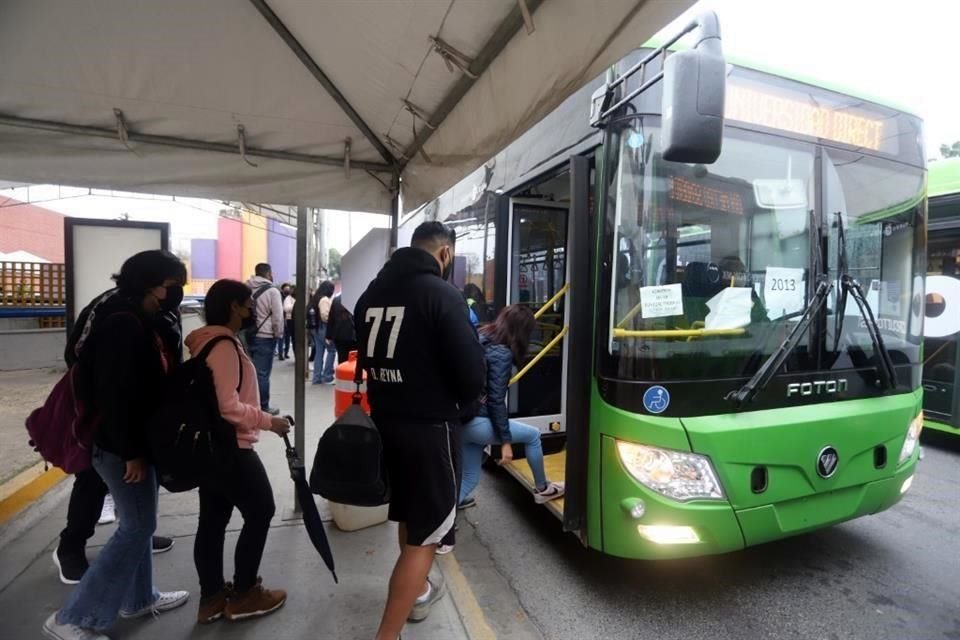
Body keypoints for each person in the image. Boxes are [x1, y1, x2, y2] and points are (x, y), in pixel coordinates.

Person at [44, 250, 191, 640]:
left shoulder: (141, 317)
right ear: (151, 284)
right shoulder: (122, 324)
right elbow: (116, 398)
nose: (177, 291)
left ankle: (140, 597)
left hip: (133, 442)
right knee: (137, 526)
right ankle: (72, 619)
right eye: (172, 283)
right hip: (118, 446)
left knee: (140, 525)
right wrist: (133, 453)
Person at [355, 221, 485, 640]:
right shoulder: (442, 295)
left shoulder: (371, 295)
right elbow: (471, 378)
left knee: (411, 517)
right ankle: (387, 634)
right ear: (444, 254)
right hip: (431, 432)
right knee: (427, 535)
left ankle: (420, 589)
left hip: (386, 423)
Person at [185, 279, 291, 624]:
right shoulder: (224, 346)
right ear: (233, 306)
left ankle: (212, 597)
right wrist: (269, 422)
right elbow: (227, 406)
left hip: (210, 449)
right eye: (247, 305)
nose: (250, 311)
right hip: (231, 447)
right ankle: (245, 593)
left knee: (213, 522)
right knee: (261, 511)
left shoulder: (204, 342)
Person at [458, 305, 565, 513]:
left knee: (470, 478)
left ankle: (441, 524)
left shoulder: (482, 336)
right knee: (533, 435)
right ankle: (543, 488)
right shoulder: (502, 352)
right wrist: (505, 441)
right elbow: (496, 401)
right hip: (476, 421)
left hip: (461, 418)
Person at [246, 263, 284, 415]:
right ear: (268, 273)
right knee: (262, 374)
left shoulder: (246, 288)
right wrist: (278, 334)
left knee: (250, 371)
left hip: (248, 335)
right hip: (266, 336)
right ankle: (263, 406)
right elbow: (277, 317)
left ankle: (250, 403)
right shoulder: (273, 291)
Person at [309, 281, 337, 385]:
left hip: (316, 329)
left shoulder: (315, 298)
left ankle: (316, 378)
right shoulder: (324, 299)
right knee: (331, 350)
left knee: (319, 353)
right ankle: (327, 376)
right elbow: (325, 316)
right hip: (324, 328)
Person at [326, 293, 358, 364]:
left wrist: (328, 335)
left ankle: (342, 374)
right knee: (354, 360)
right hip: (354, 335)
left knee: (342, 359)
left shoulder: (336, 300)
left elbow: (331, 318)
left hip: (339, 335)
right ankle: (352, 374)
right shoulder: (357, 298)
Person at [279, 284, 293, 360]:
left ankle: (286, 353)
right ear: (282, 289)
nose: (287, 290)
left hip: (288, 319)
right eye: (286, 289)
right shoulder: (279, 297)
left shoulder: (290, 297)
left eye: (288, 289)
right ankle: (281, 354)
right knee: (282, 337)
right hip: (281, 319)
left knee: (287, 337)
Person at [282, 288, 296, 360]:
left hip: (296, 319)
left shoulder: (297, 298)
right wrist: (296, 306)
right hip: (290, 319)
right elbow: (286, 308)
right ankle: (285, 353)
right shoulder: (288, 298)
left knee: (295, 339)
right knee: (289, 337)